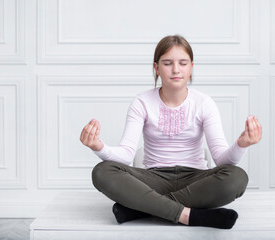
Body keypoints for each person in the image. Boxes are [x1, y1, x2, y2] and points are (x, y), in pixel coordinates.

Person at [80, 35, 262, 229]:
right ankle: (188, 216)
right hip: (153, 179)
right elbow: (125, 156)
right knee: (102, 171)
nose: (176, 69)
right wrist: (98, 147)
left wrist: (241, 145)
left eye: (183, 63)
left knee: (237, 177)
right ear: (156, 67)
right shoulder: (141, 102)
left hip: (196, 180)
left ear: (191, 67)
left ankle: (141, 208)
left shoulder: (204, 103)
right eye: (167, 63)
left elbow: (221, 160)